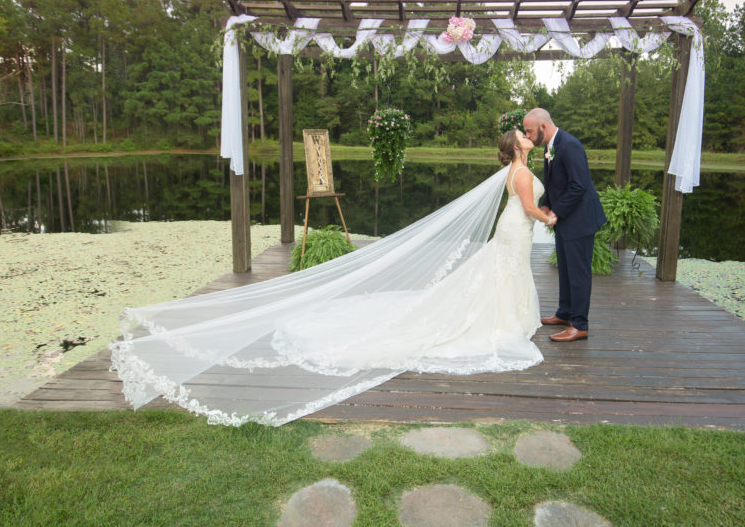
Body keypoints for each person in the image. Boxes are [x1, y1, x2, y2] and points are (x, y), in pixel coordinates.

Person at [110, 130, 556, 426]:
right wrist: (550, 219)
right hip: (518, 230)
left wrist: (540, 215)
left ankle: (506, 318)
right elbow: (530, 208)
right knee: (499, 275)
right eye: (523, 135)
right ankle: (501, 324)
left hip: (515, 233)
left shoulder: (514, 168)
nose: (527, 137)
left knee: (501, 275)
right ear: (516, 147)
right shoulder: (519, 172)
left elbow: (526, 207)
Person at [523, 108, 606, 342]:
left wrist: (556, 212)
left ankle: (579, 324)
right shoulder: (551, 146)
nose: (527, 136)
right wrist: (547, 204)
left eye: (529, 131)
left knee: (578, 273)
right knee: (566, 270)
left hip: (579, 220)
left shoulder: (570, 145)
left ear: (543, 127)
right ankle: (564, 313)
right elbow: (554, 183)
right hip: (566, 220)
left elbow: (579, 185)